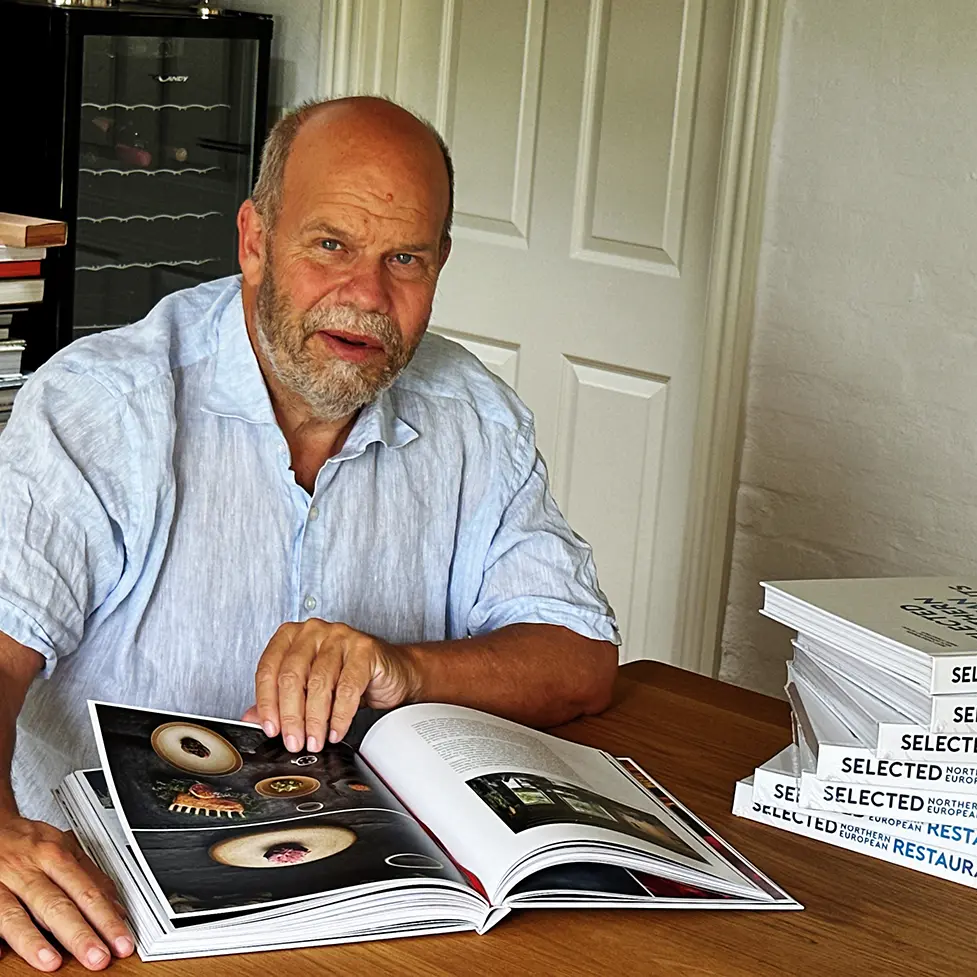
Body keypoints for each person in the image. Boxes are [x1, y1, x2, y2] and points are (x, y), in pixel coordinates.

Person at [0, 97, 619, 971]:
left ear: (440, 264)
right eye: (331, 244)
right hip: (117, 916)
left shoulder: (474, 414)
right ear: (254, 241)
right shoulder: (101, 407)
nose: (367, 296)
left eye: (405, 258)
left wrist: (405, 669)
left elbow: (580, 658)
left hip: (395, 907)